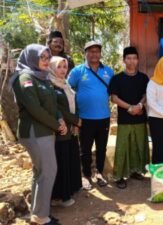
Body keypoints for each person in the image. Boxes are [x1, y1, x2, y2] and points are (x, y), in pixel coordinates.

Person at [10, 44, 67, 225]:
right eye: (41, 57)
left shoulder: (42, 77)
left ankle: (38, 213)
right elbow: (35, 109)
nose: (45, 61)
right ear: (32, 58)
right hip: (36, 132)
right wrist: (56, 125)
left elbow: (52, 103)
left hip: (45, 131)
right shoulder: (25, 78)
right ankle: (42, 217)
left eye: (47, 57)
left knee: (41, 172)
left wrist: (60, 119)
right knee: (48, 171)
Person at [68, 41, 114, 189]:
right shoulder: (77, 71)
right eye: (91, 51)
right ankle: (86, 175)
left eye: (97, 51)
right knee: (85, 149)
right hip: (85, 119)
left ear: (100, 54)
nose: (94, 54)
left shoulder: (108, 71)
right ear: (85, 53)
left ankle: (99, 173)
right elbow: (68, 91)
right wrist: (74, 116)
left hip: (104, 118)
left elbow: (114, 92)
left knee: (102, 149)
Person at [109, 47, 150, 189]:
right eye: (128, 58)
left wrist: (139, 105)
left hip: (140, 118)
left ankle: (136, 171)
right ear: (124, 60)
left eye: (134, 58)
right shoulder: (117, 78)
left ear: (138, 60)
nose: (131, 61)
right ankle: (119, 176)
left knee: (138, 145)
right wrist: (130, 108)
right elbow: (114, 98)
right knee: (122, 147)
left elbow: (146, 95)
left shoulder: (144, 78)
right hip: (125, 119)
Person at [49, 56, 82, 207]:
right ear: (52, 67)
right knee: (61, 161)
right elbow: (58, 108)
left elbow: (74, 103)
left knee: (71, 158)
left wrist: (77, 121)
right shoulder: (50, 85)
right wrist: (75, 120)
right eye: (59, 66)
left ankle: (72, 188)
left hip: (71, 129)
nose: (63, 70)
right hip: (60, 130)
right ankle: (61, 196)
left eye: (65, 66)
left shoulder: (66, 84)